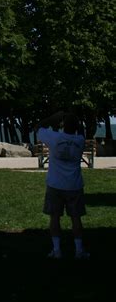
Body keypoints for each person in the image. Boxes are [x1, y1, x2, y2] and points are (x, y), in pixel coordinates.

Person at [36, 110, 89, 260]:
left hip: (55, 184)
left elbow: (38, 127)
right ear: (77, 127)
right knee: (76, 218)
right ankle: (79, 251)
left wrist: (52, 118)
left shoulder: (55, 138)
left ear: (63, 125)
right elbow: (81, 132)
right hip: (74, 185)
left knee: (54, 218)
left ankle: (57, 250)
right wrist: (77, 121)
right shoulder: (80, 140)